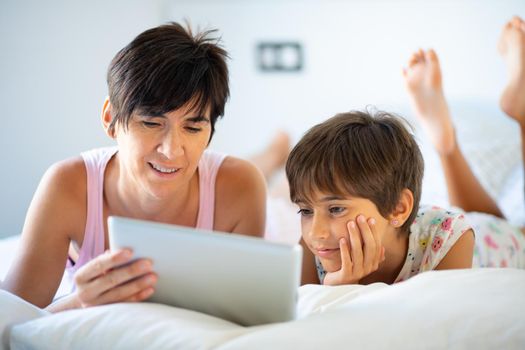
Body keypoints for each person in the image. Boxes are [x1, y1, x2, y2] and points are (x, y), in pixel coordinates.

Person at [2, 22, 267, 311]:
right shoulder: (67, 186)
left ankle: (274, 152)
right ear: (110, 119)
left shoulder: (242, 186)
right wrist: (80, 302)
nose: (171, 150)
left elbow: (247, 314)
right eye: (151, 123)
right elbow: (12, 319)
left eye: (192, 128)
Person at [403, 16, 525, 266]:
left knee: (499, 232)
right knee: (507, 234)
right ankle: (447, 146)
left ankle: (447, 147)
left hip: (470, 231)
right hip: (478, 234)